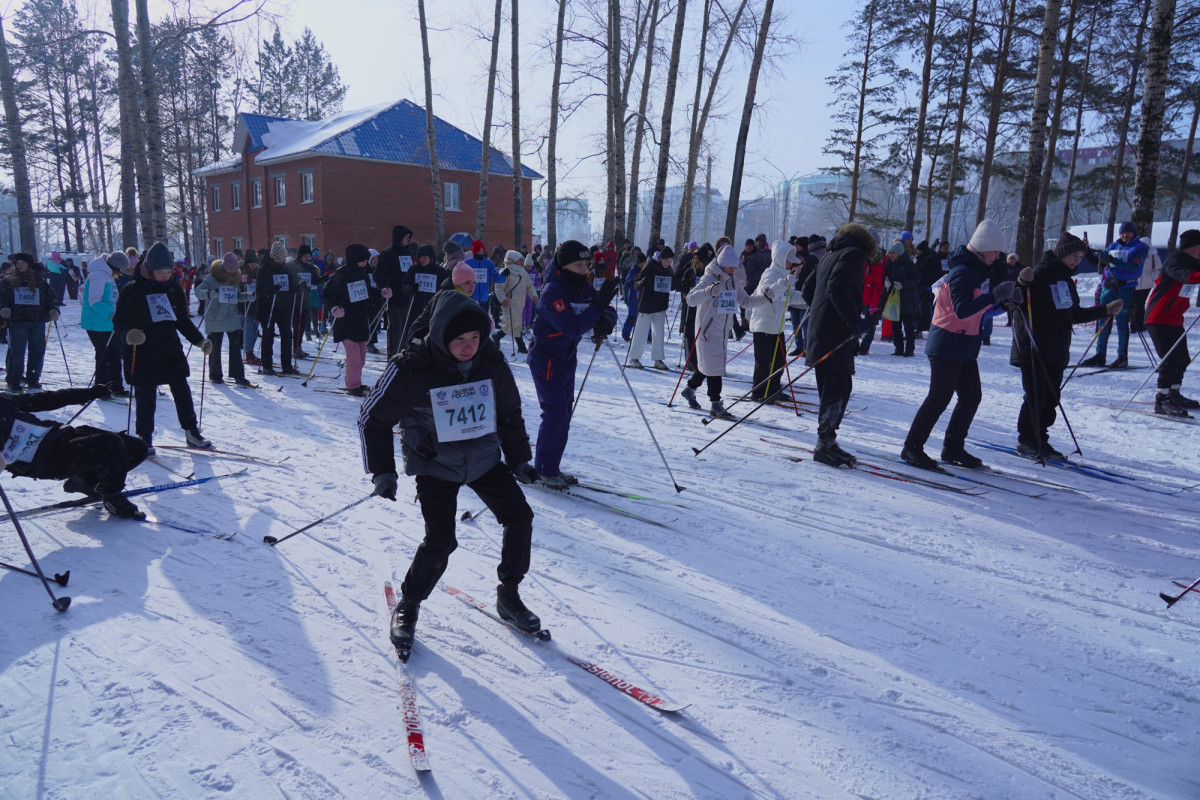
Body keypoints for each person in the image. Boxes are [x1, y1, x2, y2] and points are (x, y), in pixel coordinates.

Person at [359, 288, 540, 650]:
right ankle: (409, 605)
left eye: (475, 337)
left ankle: (509, 593)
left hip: (484, 458)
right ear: (442, 334)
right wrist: (383, 471)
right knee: (441, 541)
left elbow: (509, 413)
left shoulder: (491, 363)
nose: (469, 346)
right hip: (435, 463)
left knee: (520, 517)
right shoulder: (411, 368)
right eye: (460, 339)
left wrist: (519, 459)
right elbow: (371, 420)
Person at [901, 219, 1020, 470]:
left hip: (964, 344)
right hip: (946, 344)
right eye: (996, 251)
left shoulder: (977, 272)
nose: (998, 257)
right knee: (939, 398)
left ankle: (953, 447)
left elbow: (982, 311)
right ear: (985, 248)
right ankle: (912, 448)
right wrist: (995, 295)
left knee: (971, 396)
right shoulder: (962, 273)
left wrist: (1005, 301)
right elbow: (963, 309)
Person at [1010, 233, 1120, 458]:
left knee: (1051, 398)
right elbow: (1014, 303)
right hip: (1034, 347)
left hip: (1057, 347)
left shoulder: (1066, 281)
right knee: (1035, 396)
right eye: (1073, 255)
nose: (1077, 260)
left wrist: (1105, 310)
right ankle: (1027, 440)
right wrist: (1021, 283)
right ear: (1061, 254)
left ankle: (1041, 438)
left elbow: (1075, 314)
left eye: (1080, 256)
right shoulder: (1039, 274)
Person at [526, 240, 618, 488]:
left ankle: (551, 466)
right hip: (546, 356)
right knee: (555, 413)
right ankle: (545, 469)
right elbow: (571, 326)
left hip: (567, 356)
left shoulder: (581, 286)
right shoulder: (553, 291)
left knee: (565, 413)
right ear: (564, 265)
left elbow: (603, 306)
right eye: (579, 265)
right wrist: (597, 310)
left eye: (586, 264)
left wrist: (606, 319)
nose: (584, 269)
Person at [112, 242, 214, 453]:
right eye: (160, 272)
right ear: (150, 270)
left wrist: (199, 340)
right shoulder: (132, 290)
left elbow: (182, 320)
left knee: (182, 391)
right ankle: (144, 436)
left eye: (168, 272)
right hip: (142, 351)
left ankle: (191, 431)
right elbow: (120, 323)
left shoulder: (173, 288)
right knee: (145, 397)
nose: (165, 276)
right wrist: (130, 334)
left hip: (169, 348)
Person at [0, 384, 149, 519]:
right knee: (110, 443)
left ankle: (86, 481)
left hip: (60, 437)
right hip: (45, 460)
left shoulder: (3, 401)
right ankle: (112, 496)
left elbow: (49, 399)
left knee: (137, 448)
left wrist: (89, 393)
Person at [802, 224, 876, 467]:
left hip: (821, 334)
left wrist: (821, 313)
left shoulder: (831, 254)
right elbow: (837, 289)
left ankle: (828, 441)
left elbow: (808, 289)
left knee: (831, 388)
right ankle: (824, 445)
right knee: (838, 388)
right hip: (834, 335)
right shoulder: (854, 254)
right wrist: (853, 322)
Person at [681, 244, 763, 418]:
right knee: (715, 368)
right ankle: (716, 404)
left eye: (735, 267)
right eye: (730, 267)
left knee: (709, 366)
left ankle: (690, 389)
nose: (733, 270)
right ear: (722, 264)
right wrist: (709, 291)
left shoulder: (732, 280)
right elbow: (690, 299)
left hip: (722, 330)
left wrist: (766, 298)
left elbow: (745, 301)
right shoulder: (709, 278)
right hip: (708, 330)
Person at [1144, 228, 1200, 417]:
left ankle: (1174, 393)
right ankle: (1162, 399)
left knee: (1183, 358)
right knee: (1171, 359)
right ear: (1191, 247)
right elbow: (1189, 277)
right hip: (1159, 318)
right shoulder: (1175, 262)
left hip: (1174, 318)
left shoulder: (1192, 262)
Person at [1081, 221, 1147, 369]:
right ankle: (1100, 354)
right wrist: (1087, 250)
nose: (1124, 235)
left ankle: (1122, 356)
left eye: (1127, 232)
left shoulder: (1140, 247)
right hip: (1108, 286)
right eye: (1122, 232)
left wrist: (1112, 260)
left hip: (1125, 287)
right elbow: (1099, 257)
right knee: (1102, 320)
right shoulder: (1113, 245)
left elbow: (1135, 267)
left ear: (1133, 232)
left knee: (1122, 322)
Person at [746, 240, 805, 401]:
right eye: (788, 260)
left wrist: (808, 299)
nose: (790, 264)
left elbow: (790, 297)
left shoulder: (786, 276)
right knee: (763, 362)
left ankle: (773, 389)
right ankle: (758, 393)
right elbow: (770, 294)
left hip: (776, 326)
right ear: (779, 258)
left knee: (779, 360)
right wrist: (785, 283)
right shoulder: (769, 274)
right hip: (763, 324)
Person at [324, 244, 383, 396]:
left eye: (365, 260)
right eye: (362, 261)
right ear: (354, 259)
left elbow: (368, 291)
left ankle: (355, 381)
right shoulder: (341, 274)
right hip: (345, 320)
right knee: (354, 356)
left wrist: (381, 293)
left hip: (361, 318)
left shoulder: (363, 273)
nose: (364, 263)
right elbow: (327, 294)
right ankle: (353, 385)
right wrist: (334, 308)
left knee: (362, 356)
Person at [0, 252, 58, 392]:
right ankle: (14, 379)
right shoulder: (8, 280)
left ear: (29, 265)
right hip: (18, 321)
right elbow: (2, 297)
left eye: (23, 263)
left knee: (37, 351)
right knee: (17, 352)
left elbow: (50, 298)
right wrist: (4, 309)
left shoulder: (39, 280)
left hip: (37, 321)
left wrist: (53, 310)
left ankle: (33, 378)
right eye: (17, 263)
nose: (20, 265)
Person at [195, 253, 254, 387]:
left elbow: (237, 296)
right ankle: (215, 375)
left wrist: (248, 296)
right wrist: (209, 293)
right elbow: (199, 291)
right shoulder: (212, 278)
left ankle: (238, 375)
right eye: (230, 269)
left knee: (235, 347)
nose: (233, 271)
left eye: (235, 269)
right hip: (215, 317)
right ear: (224, 267)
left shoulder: (235, 278)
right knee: (214, 347)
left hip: (231, 317)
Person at [80, 254, 129, 397]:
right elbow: (94, 301)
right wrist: (111, 314)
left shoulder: (108, 276)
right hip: (97, 323)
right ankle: (101, 387)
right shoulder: (98, 276)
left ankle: (116, 386)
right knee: (104, 355)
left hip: (109, 323)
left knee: (115, 354)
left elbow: (111, 299)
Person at [628, 246, 675, 370]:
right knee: (641, 332)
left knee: (659, 333)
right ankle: (634, 357)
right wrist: (643, 282)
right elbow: (637, 282)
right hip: (646, 304)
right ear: (660, 258)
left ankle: (658, 359)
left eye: (670, 262)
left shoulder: (669, 269)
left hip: (660, 305)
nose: (668, 264)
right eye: (666, 261)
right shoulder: (650, 266)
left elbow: (673, 282)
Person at [375, 225, 417, 356]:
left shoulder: (408, 253)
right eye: (406, 237)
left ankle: (403, 356)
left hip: (407, 296)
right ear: (399, 237)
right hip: (393, 298)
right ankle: (393, 357)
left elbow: (410, 272)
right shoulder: (388, 253)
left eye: (409, 237)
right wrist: (384, 287)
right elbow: (378, 275)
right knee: (395, 330)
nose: (408, 240)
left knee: (406, 329)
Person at [256, 241, 297, 375]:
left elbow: (290, 285)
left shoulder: (285, 268)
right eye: (278, 258)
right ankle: (267, 364)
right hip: (268, 307)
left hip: (283, 307)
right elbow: (259, 290)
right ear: (273, 257)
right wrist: (269, 290)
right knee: (268, 336)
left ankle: (287, 364)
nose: (281, 261)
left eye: (282, 258)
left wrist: (295, 287)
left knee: (287, 335)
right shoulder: (264, 269)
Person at [493, 249, 539, 353]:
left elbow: (529, 286)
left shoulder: (523, 272)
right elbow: (499, 288)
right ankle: (517, 344)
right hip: (509, 302)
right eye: (520, 260)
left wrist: (534, 296)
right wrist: (503, 299)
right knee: (512, 323)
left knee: (516, 323)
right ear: (513, 260)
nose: (522, 262)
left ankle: (501, 337)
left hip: (520, 303)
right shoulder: (505, 272)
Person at [885, 240, 920, 356]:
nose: (891, 255)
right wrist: (887, 283)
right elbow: (886, 276)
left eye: (893, 253)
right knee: (895, 325)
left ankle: (910, 349)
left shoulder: (908, 264)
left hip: (907, 299)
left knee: (908, 326)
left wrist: (903, 285)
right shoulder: (890, 264)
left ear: (899, 253)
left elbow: (916, 279)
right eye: (890, 253)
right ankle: (898, 348)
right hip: (894, 299)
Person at [1130, 237, 1162, 334]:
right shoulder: (1136, 254)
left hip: (1147, 284)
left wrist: (1153, 276)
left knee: (1140, 304)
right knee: (1136, 305)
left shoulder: (1154, 256)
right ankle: (1139, 324)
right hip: (1135, 283)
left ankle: (1136, 325)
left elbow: (1158, 268)